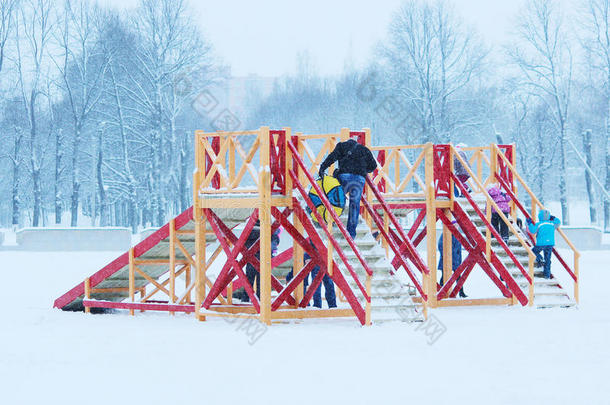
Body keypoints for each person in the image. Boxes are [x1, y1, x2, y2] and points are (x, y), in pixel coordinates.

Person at [318, 138, 377, 239]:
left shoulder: (342, 146)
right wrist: (362, 170)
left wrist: (323, 168)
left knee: (335, 198)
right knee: (354, 205)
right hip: (359, 179)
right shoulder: (364, 150)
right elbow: (373, 166)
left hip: (344, 177)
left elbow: (332, 157)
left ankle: (330, 220)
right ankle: (351, 234)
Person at [241, 221, 280, 302]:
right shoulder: (268, 229)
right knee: (261, 281)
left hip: (251, 258)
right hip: (264, 259)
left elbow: (244, 243)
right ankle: (260, 299)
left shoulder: (250, 230)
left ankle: (246, 298)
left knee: (249, 279)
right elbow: (275, 241)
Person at [527, 210, 561, 279]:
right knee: (548, 259)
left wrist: (530, 223)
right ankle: (547, 275)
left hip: (541, 243)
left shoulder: (539, 224)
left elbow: (532, 231)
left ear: (540, 217)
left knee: (533, 252)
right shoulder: (552, 224)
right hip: (550, 244)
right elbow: (558, 222)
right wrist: (553, 218)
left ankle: (540, 259)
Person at [438, 230, 467, 298]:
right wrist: (446, 255)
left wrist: (459, 260)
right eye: (455, 225)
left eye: (457, 225)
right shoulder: (446, 234)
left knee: (458, 277)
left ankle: (461, 292)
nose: (456, 227)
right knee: (444, 276)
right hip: (446, 259)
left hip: (455, 260)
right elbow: (440, 245)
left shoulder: (457, 235)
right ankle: (441, 291)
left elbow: (459, 250)